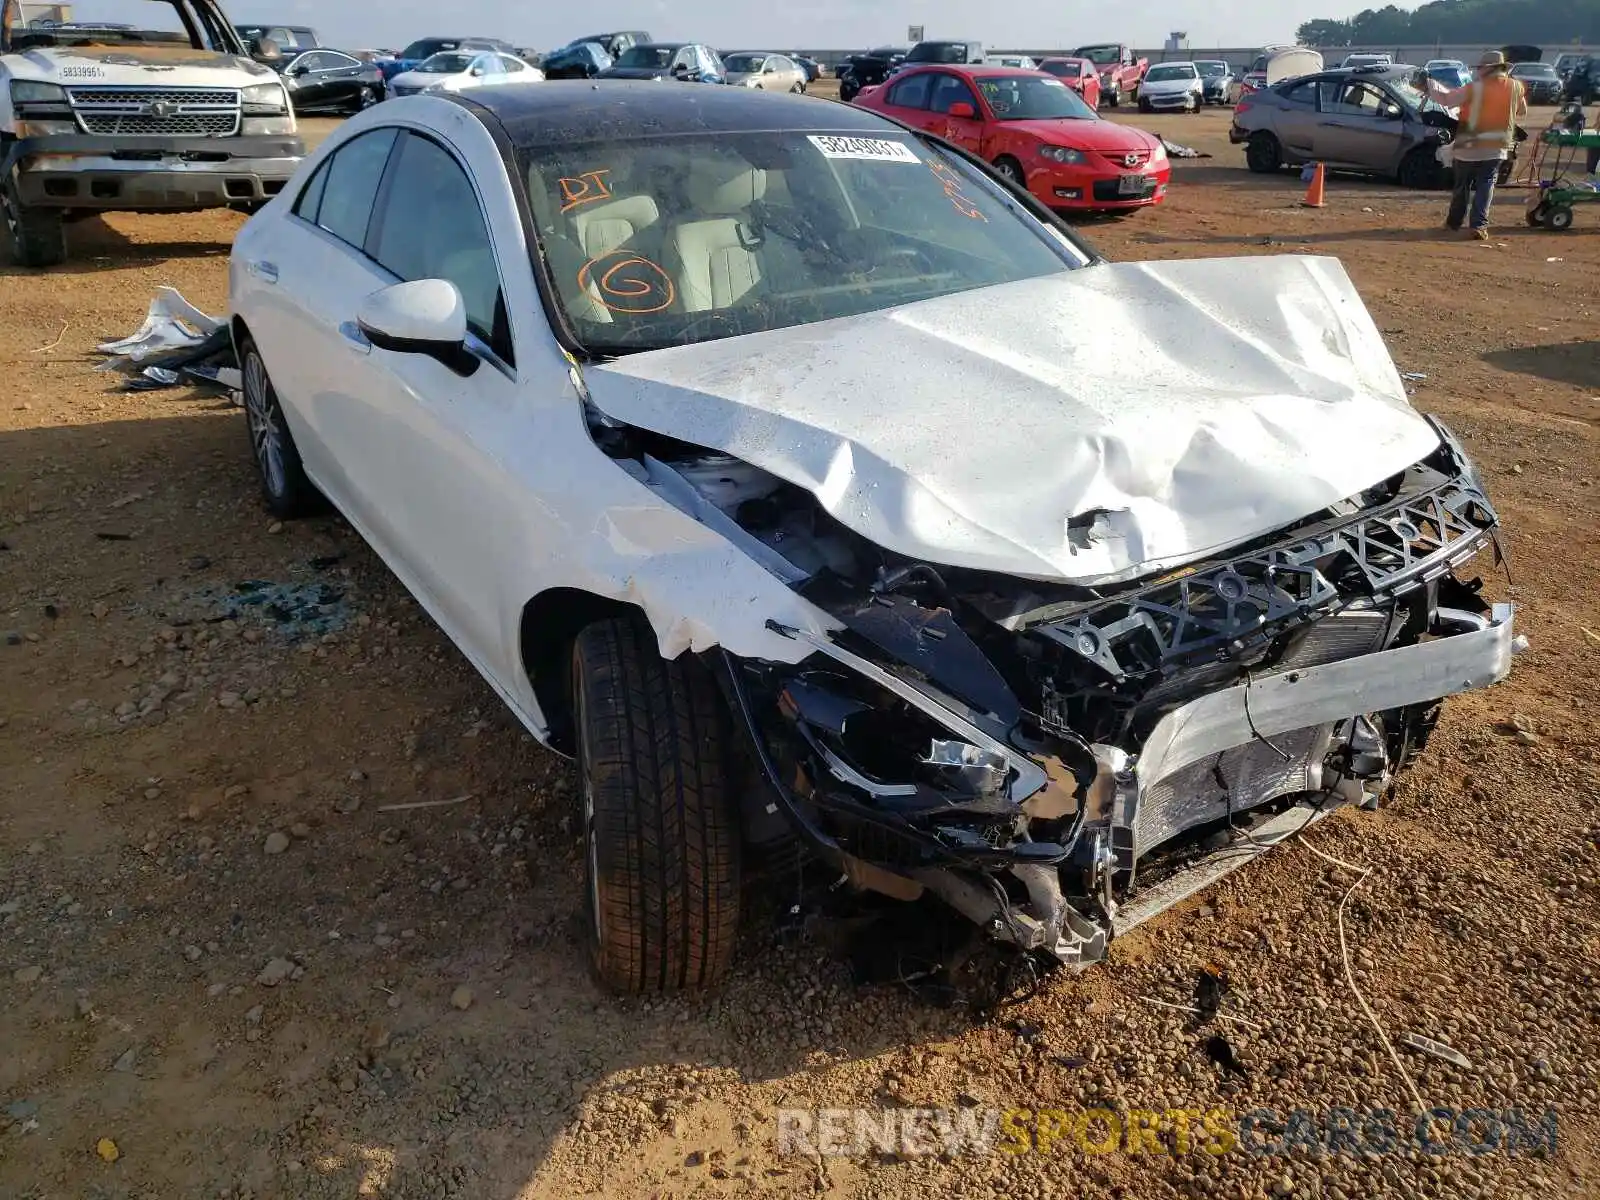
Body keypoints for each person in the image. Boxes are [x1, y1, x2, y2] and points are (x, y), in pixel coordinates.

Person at [1423, 50, 1527, 239]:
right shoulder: (1516, 87)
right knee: (1486, 184)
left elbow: (1447, 100)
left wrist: (1429, 84)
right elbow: (1522, 111)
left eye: (1480, 68)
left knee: (1462, 185)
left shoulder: (1474, 88)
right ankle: (1478, 226)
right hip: (1497, 146)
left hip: (1469, 145)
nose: (1478, 71)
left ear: (1487, 69)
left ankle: (1453, 223)